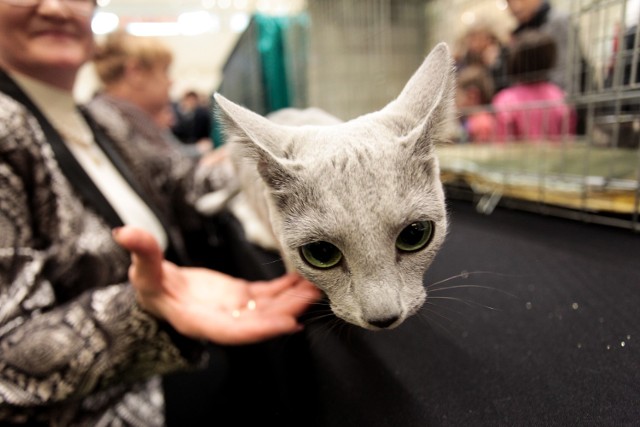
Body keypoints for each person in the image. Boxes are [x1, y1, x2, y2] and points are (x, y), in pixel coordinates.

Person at [0, 1, 320, 426]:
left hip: (176, 366)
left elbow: (181, 182)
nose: (58, 8)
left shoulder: (99, 118)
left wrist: (283, 162)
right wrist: (146, 309)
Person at [91, 30, 205, 159]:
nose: (170, 81)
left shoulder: (128, 122)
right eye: (164, 71)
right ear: (135, 73)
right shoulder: (114, 129)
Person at [492, 30, 576, 141]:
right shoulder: (562, 97)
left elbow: (501, 143)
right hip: (555, 157)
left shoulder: (505, 100)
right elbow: (568, 141)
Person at [455, 64, 497, 143]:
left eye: (457, 95)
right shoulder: (470, 119)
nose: (455, 100)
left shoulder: (481, 123)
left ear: (472, 95)